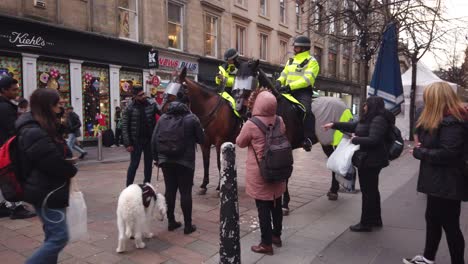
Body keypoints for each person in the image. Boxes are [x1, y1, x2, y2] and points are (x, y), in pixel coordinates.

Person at [403, 82, 467, 264]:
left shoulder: (452, 121)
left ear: (436, 99)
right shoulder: (444, 119)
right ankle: (427, 258)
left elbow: (449, 153)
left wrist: (420, 152)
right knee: (433, 219)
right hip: (439, 180)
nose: (425, 101)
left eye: (428, 97)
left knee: (450, 225)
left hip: (447, 181)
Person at [16, 88, 78, 264]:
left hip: (48, 188)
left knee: (52, 234)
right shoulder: (33, 130)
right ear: (47, 106)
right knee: (59, 237)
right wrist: (70, 169)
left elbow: (58, 148)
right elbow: (51, 162)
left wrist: (60, 121)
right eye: (58, 105)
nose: (61, 108)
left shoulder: (43, 126)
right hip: (46, 190)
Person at [323, 96, 392, 232]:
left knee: (368, 191)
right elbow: (354, 126)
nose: (364, 106)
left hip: (372, 160)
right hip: (368, 159)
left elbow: (374, 139)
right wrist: (334, 125)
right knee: (372, 190)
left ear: (372, 106)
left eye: (366, 104)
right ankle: (376, 219)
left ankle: (366, 223)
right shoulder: (369, 118)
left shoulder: (379, 119)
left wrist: (356, 139)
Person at [236, 90, 286, 255]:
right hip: (279, 167)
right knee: (276, 203)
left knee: (263, 207)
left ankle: (266, 244)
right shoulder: (279, 120)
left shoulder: (251, 124)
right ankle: (276, 236)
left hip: (260, 172)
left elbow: (240, 142)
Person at [151, 92, 204, 234]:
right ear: (188, 104)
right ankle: (188, 225)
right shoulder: (192, 118)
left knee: (170, 191)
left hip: (166, 160)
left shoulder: (163, 118)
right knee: (185, 192)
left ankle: (171, 222)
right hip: (185, 161)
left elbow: (154, 139)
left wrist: (157, 158)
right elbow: (202, 139)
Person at [0, 76, 36, 219]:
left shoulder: (5, 105)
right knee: (12, 176)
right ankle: (16, 207)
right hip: (6, 147)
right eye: (13, 90)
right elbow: (12, 130)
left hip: (3, 146)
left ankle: (3, 206)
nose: (17, 92)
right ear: (4, 90)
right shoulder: (5, 107)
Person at [276, 35, 320, 152]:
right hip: (287, 91)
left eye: (296, 47)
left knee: (306, 110)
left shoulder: (312, 61)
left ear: (303, 48)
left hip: (302, 92)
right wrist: (278, 82)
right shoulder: (290, 60)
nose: (294, 48)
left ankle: (308, 138)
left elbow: (307, 79)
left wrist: (290, 86)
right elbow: (284, 74)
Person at [122, 86, 161, 186]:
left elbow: (163, 112)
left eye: (144, 94)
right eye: (140, 95)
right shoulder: (129, 108)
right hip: (136, 141)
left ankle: (147, 185)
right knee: (134, 164)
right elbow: (125, 126)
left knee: (148, 165)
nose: (143, 96)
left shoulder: (152, 104)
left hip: (149, 140)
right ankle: (128, 187)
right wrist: (128, 143)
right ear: (134, 96)